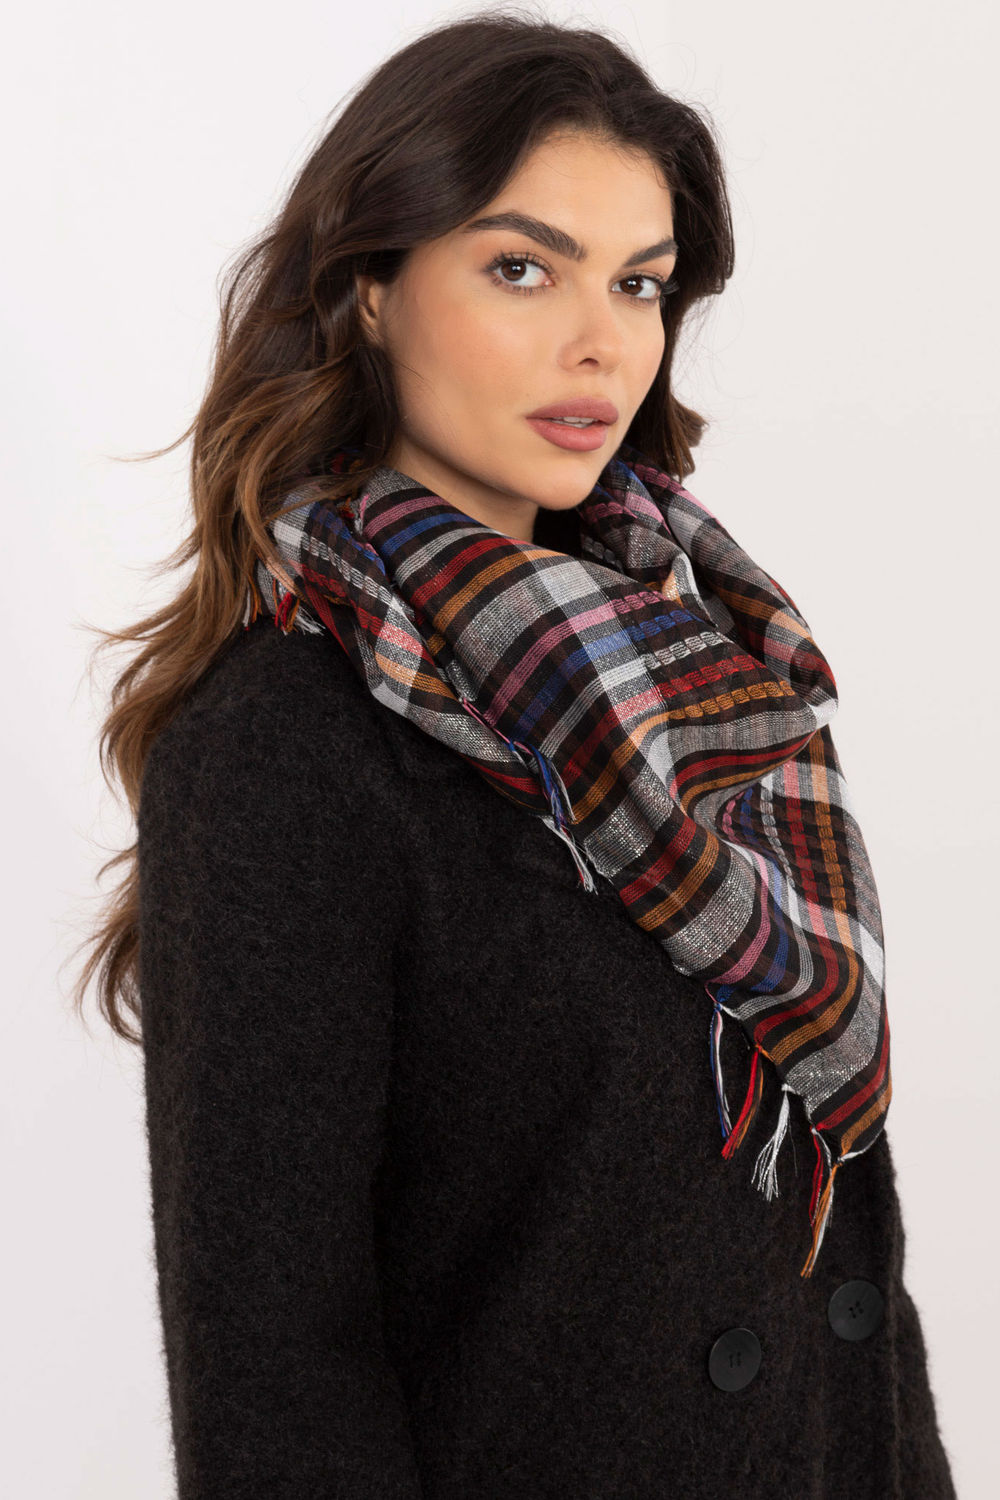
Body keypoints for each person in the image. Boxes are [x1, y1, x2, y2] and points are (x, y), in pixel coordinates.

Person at [73, 10, 958, 1497]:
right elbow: (275, 1372)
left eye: (640, 283)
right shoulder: (282, 742)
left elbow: (835, 1257)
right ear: (370, 289)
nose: (603, 341)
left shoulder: (714, 679)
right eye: (523, 269)